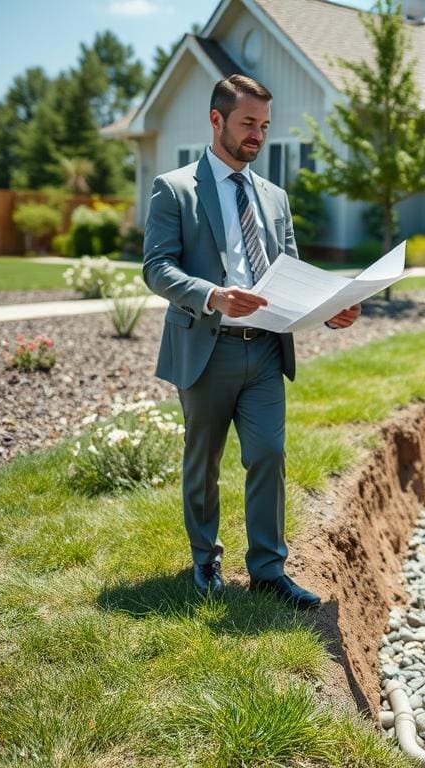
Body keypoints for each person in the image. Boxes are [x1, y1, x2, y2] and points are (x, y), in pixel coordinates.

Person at [143, 74, 359, 609]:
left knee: (268, 454)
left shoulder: (275, 196)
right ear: (216, 121)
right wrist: (213, 294)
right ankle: (205, 560)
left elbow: (290, 272)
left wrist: (331, 310)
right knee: (204, 462)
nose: (257, 135)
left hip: (265, 350)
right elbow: (156, 268)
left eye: (263, 125)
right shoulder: (175, 189)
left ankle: (268, 570)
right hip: (206, 348)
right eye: (247, 124)